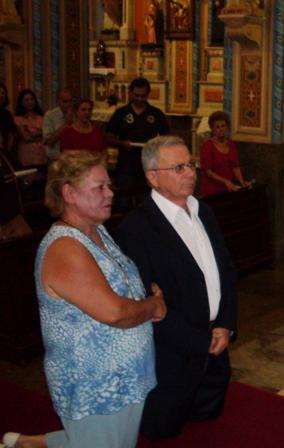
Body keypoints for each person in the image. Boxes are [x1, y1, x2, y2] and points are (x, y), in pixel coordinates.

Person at [1, 150, 166, 448]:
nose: (110, 193)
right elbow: (114, 311)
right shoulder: (65, 247)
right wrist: (153, 306)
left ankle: (27, 443)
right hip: (95, 385)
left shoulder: (97, 230)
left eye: (109, 185)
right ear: (69, 193)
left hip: (125, 377)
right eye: (99, 187)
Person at [115, 136, 237, 440]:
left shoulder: (204, 212)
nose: (191, 173)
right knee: (164, 433)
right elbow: (144, 303)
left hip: (215, 351)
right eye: (179, 167)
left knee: (210, 428)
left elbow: (226, 273)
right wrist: (200, 341)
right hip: (171, 361)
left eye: (191, 164)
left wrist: (225, 324)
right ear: (152, 178)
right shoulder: (136, 228)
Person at [105, 77, 169, 206]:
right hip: (126, 165)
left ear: (148, 94)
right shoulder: (121, 113)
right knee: (123, 202)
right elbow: (108, 137)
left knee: (147, 202)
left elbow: (167, 139)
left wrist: (156, 146)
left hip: (148, 165)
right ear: (130, 93)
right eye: (137, 96)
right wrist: (122, 143)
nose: (140, 99)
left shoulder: (156, 114)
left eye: (143, 96)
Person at [199, 111, 249, 197]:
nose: (221, 129)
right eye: (217, 127)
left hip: (228, 190)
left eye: (223, 126)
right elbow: (208, 172)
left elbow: (235, 167)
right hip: (212, 191)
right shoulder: (207, 146)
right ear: (212, 129)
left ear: (227, 127)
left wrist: (242, 182)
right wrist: (225, 181)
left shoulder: (231, 145)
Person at [14, 88, 46, 167]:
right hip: (26, 153)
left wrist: (30, 132)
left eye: (32, 99)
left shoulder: (42, 118)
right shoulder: (18, 119)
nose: (30, 102)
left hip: (41, 152)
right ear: (21, 103)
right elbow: (26, 138)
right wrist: (39, 134)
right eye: (26, 100)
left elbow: (46, 136)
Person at [42, 88, 74, 163]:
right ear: (58, 101)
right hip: (56, 159)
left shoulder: (75, 114)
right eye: (65, 101)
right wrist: (66, 124)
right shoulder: (50, 115)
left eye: (70, 101)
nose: (68, 104)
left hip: (72, 159)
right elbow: (49, 141)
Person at [0, 82, 17, 157]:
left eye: (3, 93)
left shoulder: (7, 114)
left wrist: (7, 151)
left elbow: (11, 135)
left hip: (3, 152)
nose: (1, 95)